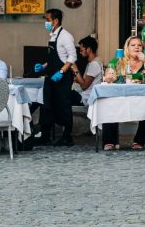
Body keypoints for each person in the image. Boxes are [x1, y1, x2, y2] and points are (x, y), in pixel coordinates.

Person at [101, 36, 145, 151]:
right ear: (127, 48)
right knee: (108, 106)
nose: (137, 47)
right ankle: (109, 141)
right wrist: (110, 77)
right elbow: (108, 76)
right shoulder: (118, 60)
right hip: (120, 99)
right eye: (133, 45)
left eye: (139, 45)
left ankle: (140, 140)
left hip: (140, 99)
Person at [33, 8, 77, 146]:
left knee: (63, 106)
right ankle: (45, 135)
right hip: (50, 75)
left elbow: (72, 57)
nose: (46, 22)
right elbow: (55, 57)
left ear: (55, 21)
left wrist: (62, 72)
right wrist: (43, 66)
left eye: (47, 20)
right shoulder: (52, 35)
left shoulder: (66, 36)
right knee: (47, 105)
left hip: (62, 78)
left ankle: (67, 136)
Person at [72, 36, 103, 107]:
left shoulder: (94, 64)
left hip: (85, 98)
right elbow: (85, 82)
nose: (80, 52)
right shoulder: (92, 62)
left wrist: (76, 70)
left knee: (62, 94)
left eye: (81, 50)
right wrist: (76, 79)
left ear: (88, 49)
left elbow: (84, 86)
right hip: (84, 94)